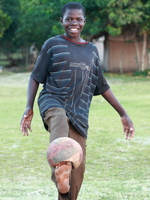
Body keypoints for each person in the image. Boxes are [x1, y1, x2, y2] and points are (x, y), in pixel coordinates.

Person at [20, 2, 135, 200]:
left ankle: (64, 180)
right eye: (69, 19)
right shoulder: (52, 44)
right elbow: (36, 76)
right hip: (52, 101)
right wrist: (29, 107)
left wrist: (123, 113)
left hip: (80, 114)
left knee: (75, 177)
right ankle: (60, 167)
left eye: (78, 19)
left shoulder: (91, 51)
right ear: (62, 21)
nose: (74, 23)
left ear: (84, 21)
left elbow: (102, 85)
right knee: (59, 118)